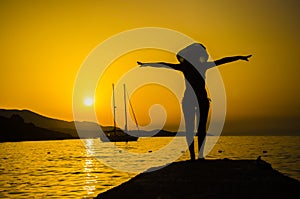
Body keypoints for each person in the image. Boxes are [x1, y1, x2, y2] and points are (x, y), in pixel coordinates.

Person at [138, 43, 251, 161]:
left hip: (200, 100)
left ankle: (198, 156)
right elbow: (164, 65)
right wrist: (147, 64)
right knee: (194, 128)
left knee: (197, 128)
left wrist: (239, 57)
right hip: (192, 100)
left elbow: (223, 60)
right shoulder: (194, 66)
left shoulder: (195, 66)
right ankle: (196, 156)